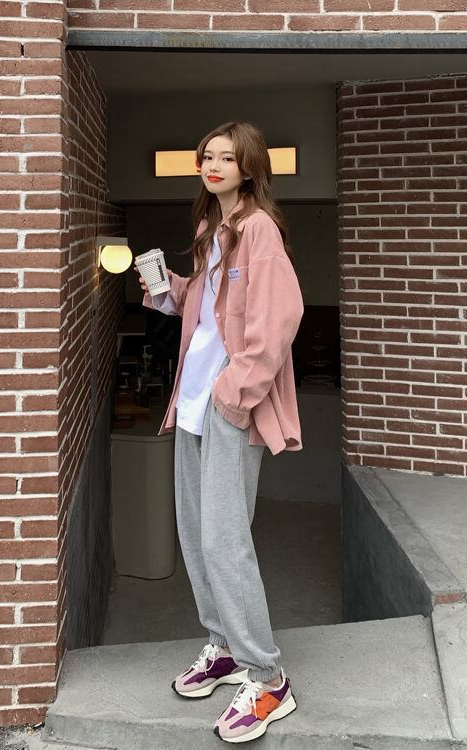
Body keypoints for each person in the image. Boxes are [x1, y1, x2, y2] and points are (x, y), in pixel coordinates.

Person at [138, 121, 304, 744]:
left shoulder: (259, 229)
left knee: (226, 541)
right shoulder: (213, 227)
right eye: (207, 156)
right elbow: (208, 313)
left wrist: (234, 392)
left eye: (226, 158)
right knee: (197, 535)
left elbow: (281, 316)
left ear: (249, 167)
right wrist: (168, 291)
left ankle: (268, 676)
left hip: (227, 404)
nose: (213, 166)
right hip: (192, 402)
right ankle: (226, 647)